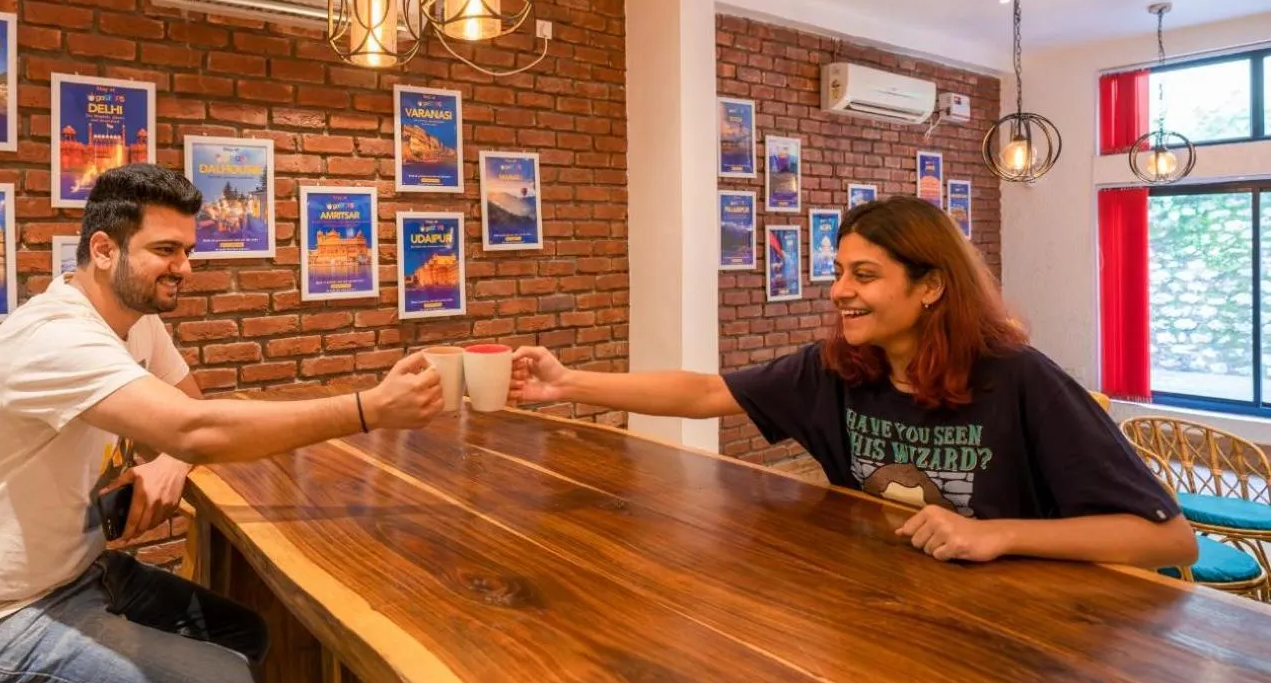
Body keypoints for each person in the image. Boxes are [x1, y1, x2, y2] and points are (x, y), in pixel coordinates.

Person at [0, 164, 443, 683]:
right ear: (103, 249)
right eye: (165, 249)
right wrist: (371, 409)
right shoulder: (53, 337)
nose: (184, 266)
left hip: (68, 581)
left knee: (250, 633)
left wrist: (173, 457)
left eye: (188, 249)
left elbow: (188, 412)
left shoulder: (137, 323)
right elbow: (195, 428)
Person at [510, 195, 1197, 570]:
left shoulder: (1019, 378)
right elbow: (700, 393)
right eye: (838, 272)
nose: (839, 292)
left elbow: (1167, 540)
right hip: (877, 607)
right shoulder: (835, 366)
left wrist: (998, 535)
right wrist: (567, 382)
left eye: (863, 277)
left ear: (929, 286)